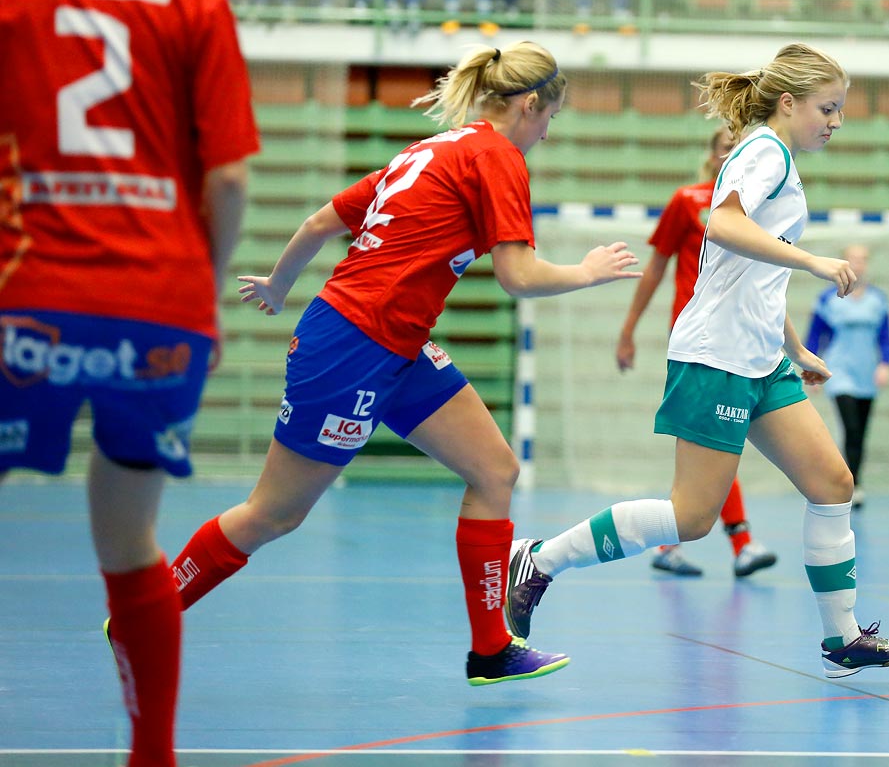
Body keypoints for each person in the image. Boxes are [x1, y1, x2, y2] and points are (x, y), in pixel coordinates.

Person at [165, 41, 642, 689]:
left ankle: (491, 650)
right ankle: (151, 607)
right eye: (549, 121)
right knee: (275, 513)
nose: (546, 135)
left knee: (494, 469)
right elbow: (517, 275)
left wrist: (280, 285)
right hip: (353, 345)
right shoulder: (497, 155)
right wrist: (587, 272)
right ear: (530, 106)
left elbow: (317, 222)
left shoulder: (430, 150)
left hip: (397, 343)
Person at [505, 43, 889, 680]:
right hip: (715, 356)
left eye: (841, 110)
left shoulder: (781, 162)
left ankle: (843, 638)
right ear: (789, 103)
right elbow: (720, 227)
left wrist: (797, 350)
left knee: (832, 484)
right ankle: (541, 558)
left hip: (759, 358)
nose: (836, 121)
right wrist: (815, 260)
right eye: (828, 108)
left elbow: (754, 273)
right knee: (691, 518)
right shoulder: (764, 150)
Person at [1, 0, 257, 766]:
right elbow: (229, 177)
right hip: (158, 312)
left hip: (24, 299)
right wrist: (208, 290)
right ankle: (152, 757)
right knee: (130, 547)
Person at [614, 128, 779, 578]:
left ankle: (671, 546)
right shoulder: (687, 201)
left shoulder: (761, 208)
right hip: (701, 339)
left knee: (709, 446)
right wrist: (628, 330)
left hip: (743, 339)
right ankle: (739, 543)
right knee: (714, 443)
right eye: (724, 144)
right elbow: (655, 269)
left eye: (738, 144)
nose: (733, 151)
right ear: (712, 157)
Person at [804, 244, 889, 509]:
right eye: (853, 259)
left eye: (863, 259)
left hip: (866, 373)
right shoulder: (827, 299)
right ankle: (848, 483)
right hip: (839, 371)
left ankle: (858, 481)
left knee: (860, 433)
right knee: (850, 426)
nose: (858, 264)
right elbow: (814, 336)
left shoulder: (879, 300)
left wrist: (885, 364)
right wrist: (814, 367)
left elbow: (886, 338)